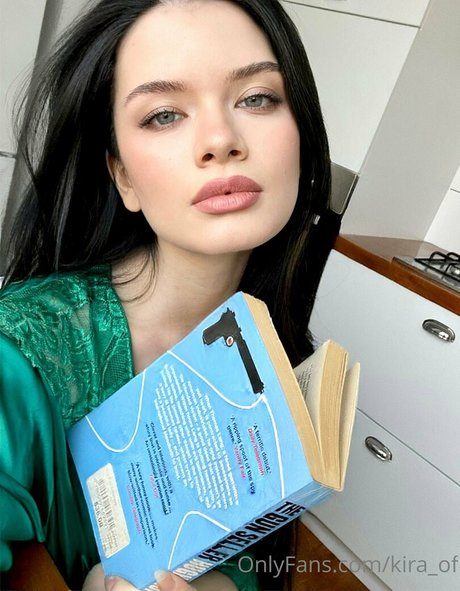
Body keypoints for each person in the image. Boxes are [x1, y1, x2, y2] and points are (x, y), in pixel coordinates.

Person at [0, 0, 338, 589]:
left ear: (303, 138)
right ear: (122, 175)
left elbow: (251, 561)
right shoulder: (17, 358)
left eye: (257, 98)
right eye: (163, 115)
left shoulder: (282, 361)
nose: (221, 139)